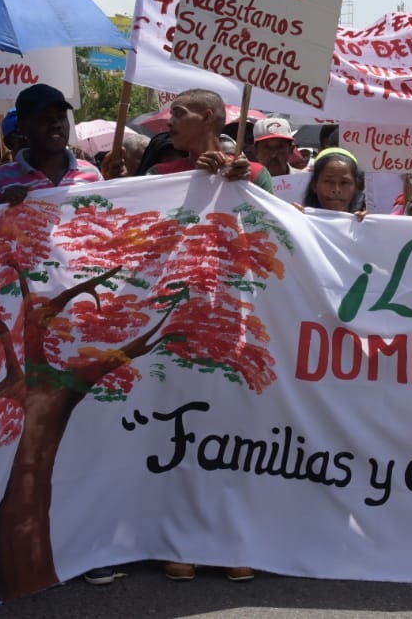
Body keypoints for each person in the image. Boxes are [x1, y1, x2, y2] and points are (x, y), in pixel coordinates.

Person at [152, 88, 264, 585]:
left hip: (237, 324)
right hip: (173, 327)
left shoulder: (253, 174)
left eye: (178, 113)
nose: (169, 122)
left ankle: (233, 540)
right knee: (179, 433)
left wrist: (245, 183)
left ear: (212, 119)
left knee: (233, 434)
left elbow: (285, 228)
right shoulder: (160, 176)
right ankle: (183, 541)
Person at [0, 85, 101, 210]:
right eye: (45, 118)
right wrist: (2, 209)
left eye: (61, 117)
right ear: (22, 127)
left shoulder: (92, 175)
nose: (56, 124)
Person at [301, 148, 366, 217]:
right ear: (314, 185)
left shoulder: (364, 221)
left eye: (344, 182)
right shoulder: (300, 219)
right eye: (328, 181)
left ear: (356, 187)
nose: (336, 190)